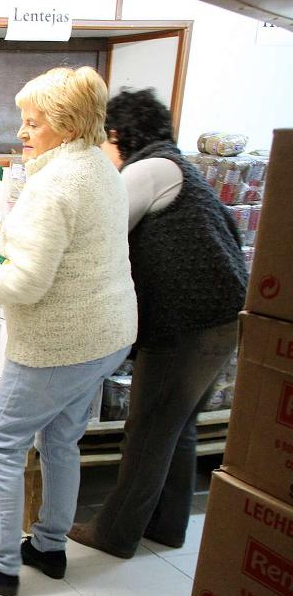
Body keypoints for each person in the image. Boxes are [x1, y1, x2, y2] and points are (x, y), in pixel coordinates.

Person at [0, 67, 138, 596]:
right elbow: (67, 253)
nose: (23, 133)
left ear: (66, 122)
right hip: (107, 335)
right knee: (61, 437)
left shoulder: (53, 185)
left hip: (60, 343)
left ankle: (1, 562)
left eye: (33, 123)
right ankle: (50, 545)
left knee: (2, 441)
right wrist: (5, 246)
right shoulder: (99, 169)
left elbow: (27, 284)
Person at [68, 89, 246, 558]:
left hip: (187, 323)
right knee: (178, 424)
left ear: (116, 134)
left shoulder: (150, 169)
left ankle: (115, 533)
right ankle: (167, 526)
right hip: (220, 318)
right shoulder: (175, 164)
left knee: (148, 428)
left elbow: (100, 233)